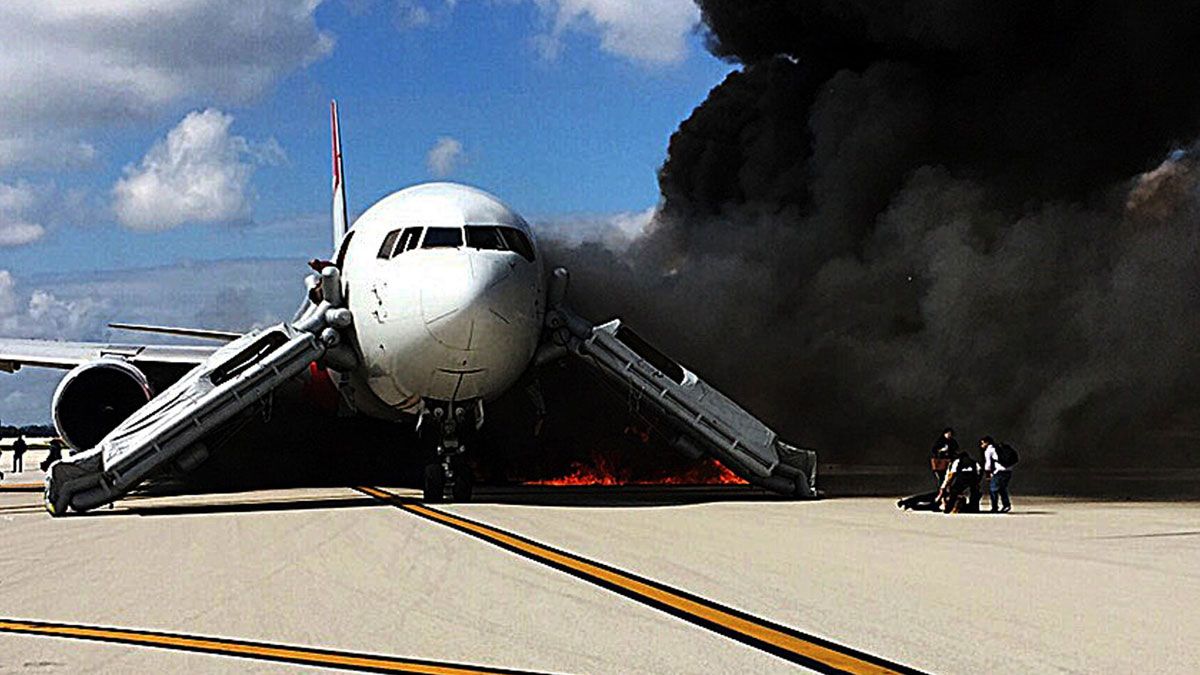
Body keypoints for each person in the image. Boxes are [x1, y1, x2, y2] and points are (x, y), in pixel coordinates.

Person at [938, 447, 981, 513]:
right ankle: (974, 508)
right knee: (974, 493)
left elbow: (952, 474)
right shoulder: (974, 462)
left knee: (954, 492)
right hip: (972, 480)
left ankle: (949, 508)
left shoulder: (958, 461)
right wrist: (977, 482)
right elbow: (979, 471)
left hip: (961, 479)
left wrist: (948, 484)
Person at [982, 436, 1014, 513]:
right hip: (1008, 470)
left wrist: (987, 474)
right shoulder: (999, 448)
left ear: (987, 443)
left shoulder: (989, 450)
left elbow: (988, 464)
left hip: (999, 471)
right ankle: (1006, 505)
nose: (981, 445)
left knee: (993, 489)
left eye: (982, 443)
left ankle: (995, 507)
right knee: (1002, 488)